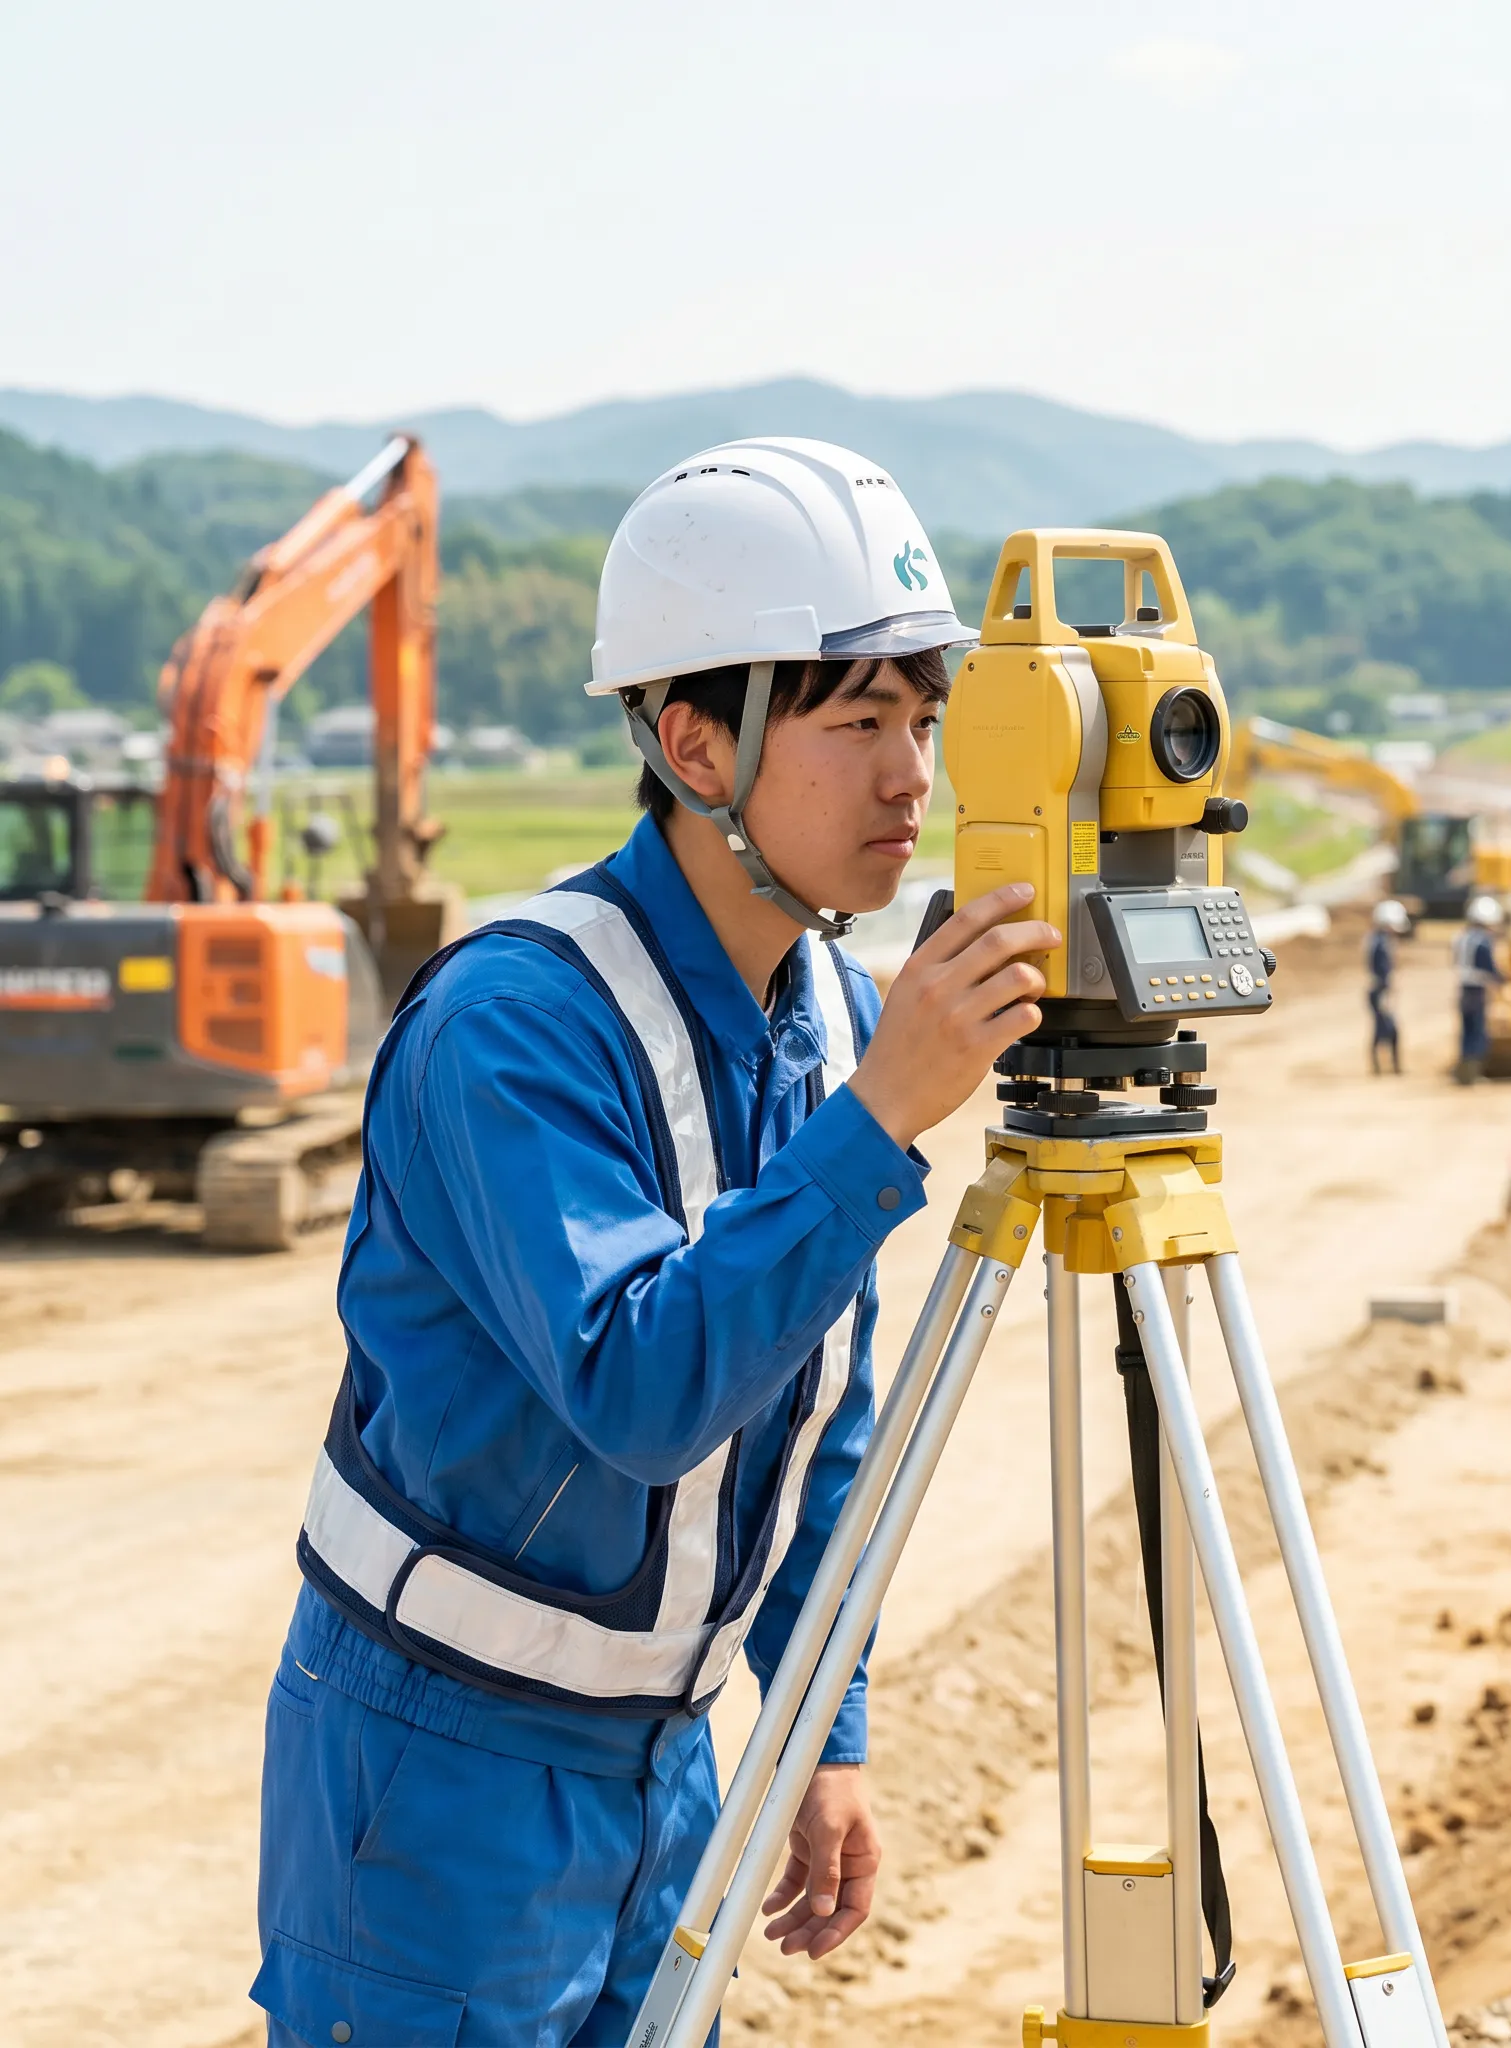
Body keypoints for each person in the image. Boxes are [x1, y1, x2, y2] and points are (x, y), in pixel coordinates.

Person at [250, 439, 1064, 2048]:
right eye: (855, 722)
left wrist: (823, 1722)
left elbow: (821, 1421)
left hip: (665, 1769)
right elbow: (641, 1389)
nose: (913, 777)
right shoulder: (513, 1027)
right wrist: (883, 1122)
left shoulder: (823, 1018)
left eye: (922, 719)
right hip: (446, 1781)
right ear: (693, 740)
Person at [1452, 895, 1506, 1084]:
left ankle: (1463, 1071)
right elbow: (1488, 966)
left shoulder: (1460, 938)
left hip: (1463, 988)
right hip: (1477, 989)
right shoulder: (1482, 941)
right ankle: (1472, 1074)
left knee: (1466, 1030)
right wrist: (1503, 980)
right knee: (1477, 1031)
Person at [1366, 898, 1409, 1073]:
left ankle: (1385, 1065)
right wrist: (1387, 990)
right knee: (1387, 1028)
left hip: (1377, 989)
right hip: (1380, 990)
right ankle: (1388, 1066)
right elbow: (1383, 970)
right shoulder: (1381, 943)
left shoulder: (1375, 940)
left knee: (1382, 1027)